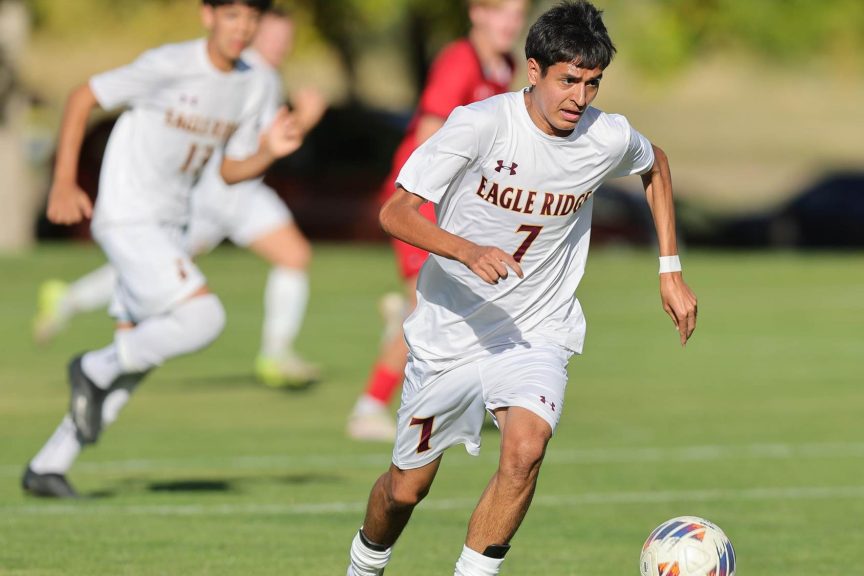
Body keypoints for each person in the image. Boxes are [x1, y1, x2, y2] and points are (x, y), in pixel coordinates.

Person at [345, 2, 698, 574]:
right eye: (567, 81)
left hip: (537, 329)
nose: (578, 99)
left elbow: (654, 164)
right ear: (533, 70)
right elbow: (396, 212)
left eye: (591, 84)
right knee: (405, 491)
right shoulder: (480, 125)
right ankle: (364, 564)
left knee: (526, 448)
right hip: (449, 332)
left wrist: (670, 268)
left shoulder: (604, 136)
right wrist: (467, 249)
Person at [22, 0, 303, 498]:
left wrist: (267, 153)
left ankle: (48, 465)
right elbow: (83, 96)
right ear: (207, 15)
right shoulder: (170, 64)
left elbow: (228, 170)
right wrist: (62, 182)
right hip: (128, 215)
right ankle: (91, 367)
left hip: (172, 223)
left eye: (252, 19)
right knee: (203, 319)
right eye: (232, 15)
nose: (242, 28)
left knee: (140, 353)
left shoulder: (254, 83)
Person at [31, 8, 325, 389]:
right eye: (273, 35)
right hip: (213, 198)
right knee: (160, 272)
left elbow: (264, 146)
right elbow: (261, 144)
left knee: (293, 256)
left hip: (245, 193)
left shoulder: (259, 76)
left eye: (286, 39)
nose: (279, 45)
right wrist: (307, 118)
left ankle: (276, 352)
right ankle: (76, 309)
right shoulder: (241, 73)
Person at [347, 0, 528, 441]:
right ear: (477, 12)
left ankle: (459, 391)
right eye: (501, 11)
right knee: (425, 308)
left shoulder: (504, 65)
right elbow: (429, 136)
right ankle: (367, 408)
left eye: (517, 13)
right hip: (420, 195)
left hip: (453, 200)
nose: (510, 23)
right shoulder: (459, 61)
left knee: (466, 299)